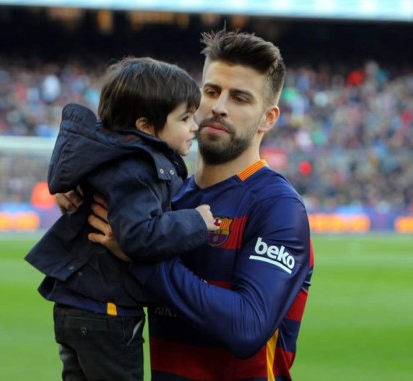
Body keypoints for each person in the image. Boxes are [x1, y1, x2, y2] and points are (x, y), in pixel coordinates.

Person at [59, 29, 315, 380]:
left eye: (240, 99)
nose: (219, 107)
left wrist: (141, 255)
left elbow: (246, 327)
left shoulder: (277, 207)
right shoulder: (165, 194)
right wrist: (80, 191)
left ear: (268, 118)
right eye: (211, 91)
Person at [26, 57, 219, 381]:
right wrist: (196, 222)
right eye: (184, 118)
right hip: (107, 312)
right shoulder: (138, 167)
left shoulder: (117, 156)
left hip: (78, 307)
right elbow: (138, 234)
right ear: (145, 126)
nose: (194, 127)